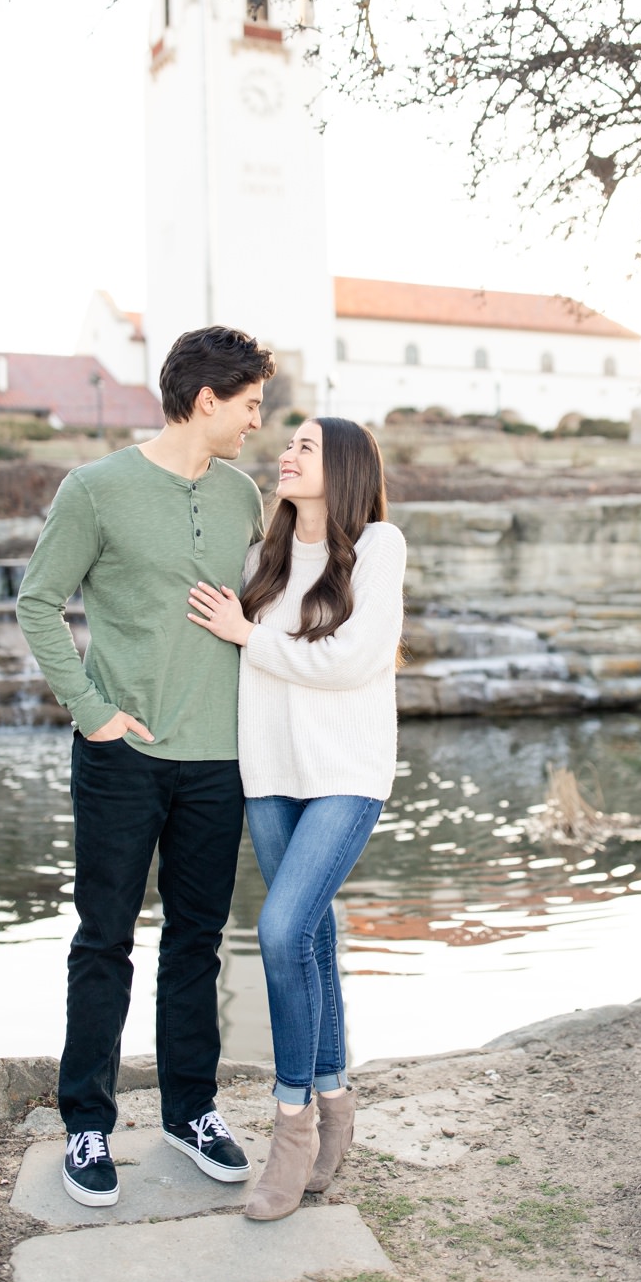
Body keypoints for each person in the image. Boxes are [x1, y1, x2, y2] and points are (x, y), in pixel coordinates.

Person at [16, 326, 273, 1208]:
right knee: (104, 941)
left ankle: (188, 1111)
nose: (255, 423)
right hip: (123, 756)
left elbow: (266, 605)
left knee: (197, 944)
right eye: (248, 407)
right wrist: (94, 715)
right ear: (207, 401)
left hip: (219, 760)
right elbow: (38, 603)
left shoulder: (243, 495)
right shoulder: (94, 490)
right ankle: (86, 1122)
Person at [185, 416, 405, 1221]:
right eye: (288, 444)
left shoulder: (380, 546)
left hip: (346, 774)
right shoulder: (262, 558)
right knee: (310, 936)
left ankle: (292, 1124)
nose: (286, 454)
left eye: (305, 447)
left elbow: (353, 660)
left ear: (342, 467)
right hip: (270, 774)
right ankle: (338, 1101)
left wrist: (249, 636)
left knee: (279, 933)